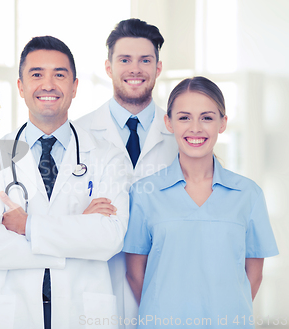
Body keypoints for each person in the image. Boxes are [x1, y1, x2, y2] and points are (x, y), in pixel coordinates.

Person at [0, 36, 128, 329]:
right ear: (21, 87)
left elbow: (109, 238)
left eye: (60, 74)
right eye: (37, 74)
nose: (48, 84)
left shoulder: (107, 156)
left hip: (84, 311)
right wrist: (78, 229)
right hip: (15, 312)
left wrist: (28, 226)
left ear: (75, 86)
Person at [123, 76, 279, 328]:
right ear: (169, 122)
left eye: (207, 117)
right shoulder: (144, 193)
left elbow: (255, 274)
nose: (195, 128)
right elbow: (134, 273)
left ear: (222, 123)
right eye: (184, 117)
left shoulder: (248, 194)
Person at [75, 18, 178, 327]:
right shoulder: (77, 134)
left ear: (158, 68)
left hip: (163, 280)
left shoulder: (184, 135)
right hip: (95, 282)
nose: (135, 69)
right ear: (108, 67)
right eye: (125, 60)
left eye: (145, 60)